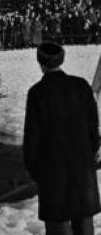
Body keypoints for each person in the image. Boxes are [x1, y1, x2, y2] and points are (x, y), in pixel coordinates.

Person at [23, 41, 100, 235]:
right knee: (84, 225)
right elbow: (93, 128)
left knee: (58, 226)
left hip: (53, 175)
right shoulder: (81, 86)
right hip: (82, 172)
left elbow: (32, 140)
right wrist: (88, 157)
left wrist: (36, 173)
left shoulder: (37, 93)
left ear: (41, 63)